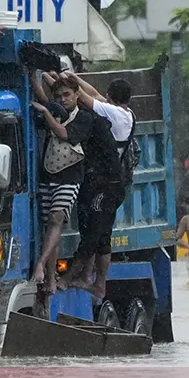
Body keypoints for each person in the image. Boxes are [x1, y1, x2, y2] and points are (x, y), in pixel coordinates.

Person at [48, 71, 133, 299]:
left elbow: (85, 96)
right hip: (108, 182)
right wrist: (64, 76)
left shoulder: (107, 115)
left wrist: (56, 80)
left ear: (110, 96)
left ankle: (70, 278)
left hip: (107, 183)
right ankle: (95, 283)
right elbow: (89, 93)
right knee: (102, 237)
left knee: (93, 235)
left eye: (67, 94)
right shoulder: (123, 113)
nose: (63, 99)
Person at [30, 76, 93, 299]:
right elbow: (42, 97)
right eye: (59, 96)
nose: (63, 99)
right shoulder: (56, 110)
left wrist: (46, 113)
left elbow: (64, 134)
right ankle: (50, 277)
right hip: (48, 176)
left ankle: (40, 264)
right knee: (50, 226)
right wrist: (33, 76)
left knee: (57, 218)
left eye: (67, 95)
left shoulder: (85, 118)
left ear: (77, 95)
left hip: (70, 178)